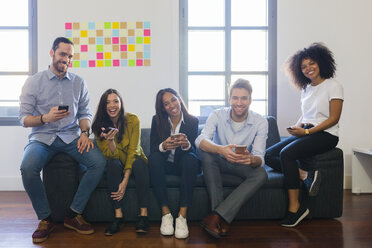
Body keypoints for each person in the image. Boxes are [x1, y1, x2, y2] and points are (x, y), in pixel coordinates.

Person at [19, 37, 106, 243]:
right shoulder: (34, 82)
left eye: (70, 56)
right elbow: (23, 118)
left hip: (71, 137)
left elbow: (85, 113)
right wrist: (44, 118)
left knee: (98, 162)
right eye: (62, 54)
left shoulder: (79, 82)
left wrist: (85, 133)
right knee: (27, 168)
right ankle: (45, 218)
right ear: (52, 53)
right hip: (42, 138)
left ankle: (73, 214)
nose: (66, 59)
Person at [265, 42, 344, 227]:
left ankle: (296, 208)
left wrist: (306, 131)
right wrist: (297, 127)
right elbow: (306, 114)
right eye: (303, 66)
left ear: (321, 63)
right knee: (268, 155)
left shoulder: (333, 86)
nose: (308, 68)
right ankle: (304, 175)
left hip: (326, 135)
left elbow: (333, 118)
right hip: (307, 132)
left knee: (286, 154)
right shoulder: (306, 88)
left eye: (311, 63)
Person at [196, 79, 268, 238]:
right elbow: (200, 140)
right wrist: (221, 150)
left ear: (250, 100)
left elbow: (260, 156)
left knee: (262, 173)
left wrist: (251, 160)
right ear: (229, 99)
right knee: (207, 153)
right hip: (219, 162)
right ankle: (221, 220)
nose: (239, 102)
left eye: (244, 98)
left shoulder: (261, 121)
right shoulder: (217, 115)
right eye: (235, 98)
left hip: (241, 165)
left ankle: (215, 217)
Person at [91, 89, 150, 235]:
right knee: (112, 165)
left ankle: (143, 215)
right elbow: (110, 156)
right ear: (103, 106)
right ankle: (118, 216)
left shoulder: (133, 120)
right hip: (116, 162)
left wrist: (125, 180)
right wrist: (110, 141)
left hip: (134, 160)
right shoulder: (99, 126)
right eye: (108, 102)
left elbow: (133, 151)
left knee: (139, 164)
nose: (112, 105)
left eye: (115, 101)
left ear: (121, 103)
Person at [148, 88, 200, 239]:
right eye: (166, 104)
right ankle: (166, 214)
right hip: (164, 164)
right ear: (162, 108)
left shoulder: (192, 121)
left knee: (190, 158)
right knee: (153, 158)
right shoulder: (156, 120)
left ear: (179, 99)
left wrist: (186, 144)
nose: (171, 105)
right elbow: (152, 148)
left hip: (183, 164)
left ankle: (182, 217)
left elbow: (194, 150)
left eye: (173, 100)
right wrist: (163, 146)